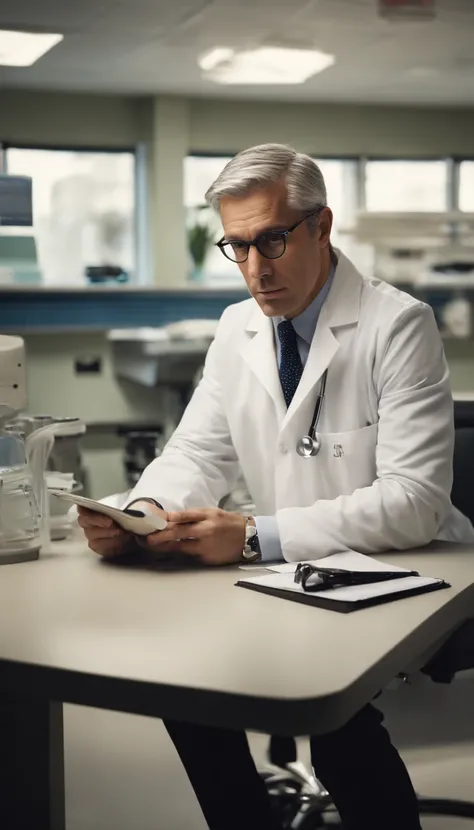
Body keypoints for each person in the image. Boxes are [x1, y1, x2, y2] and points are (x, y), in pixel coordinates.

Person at [78, 144, 474, 830]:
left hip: (406, 570)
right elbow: (197, 452)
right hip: (294, 573)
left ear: (321, 226)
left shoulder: (397, 325)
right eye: (237, 246)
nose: (256, 270)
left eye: (272, 240)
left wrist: (256, 535)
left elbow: (414, 502)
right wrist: (141, 511)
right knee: (188, 692)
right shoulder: (237, 329)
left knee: (335, 720)